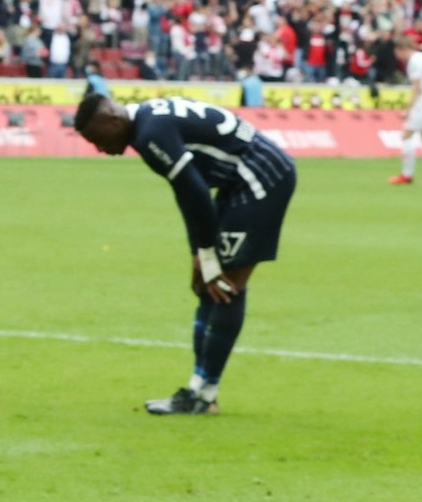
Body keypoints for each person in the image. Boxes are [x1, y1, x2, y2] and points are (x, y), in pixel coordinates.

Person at [74, 90, 296, 415]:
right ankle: (199, 391)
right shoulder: (147, 122)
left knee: (225, 285)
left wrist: (205, 255)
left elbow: (194, 192)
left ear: (112, 119)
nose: (99, 149)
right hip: (241, 179)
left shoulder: (150, 134)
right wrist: (200, 254)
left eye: (97, 138)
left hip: (260, 178)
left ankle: (204, 395)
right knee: (210, 283)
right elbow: (188, 193)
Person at [389, 34, 422, 186]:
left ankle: (407, 175)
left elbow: (417, 88)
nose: (398, 57)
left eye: (397, 53)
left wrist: (408, 109)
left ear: (401, 49)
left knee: (407, 135)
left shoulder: (414, 61)